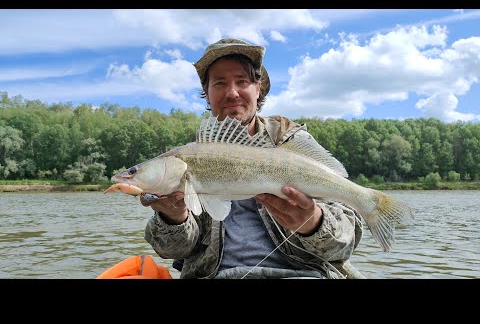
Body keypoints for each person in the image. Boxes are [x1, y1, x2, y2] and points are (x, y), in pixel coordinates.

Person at [143, 38, 365, 279]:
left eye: (242, 81)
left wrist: (314, 222)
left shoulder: (291, 142)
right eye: (219, 83)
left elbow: (345, 243)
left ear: (258, 88)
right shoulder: (189, 158)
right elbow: (171, 250)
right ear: (206, 93)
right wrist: (173, 218)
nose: (232, 92)